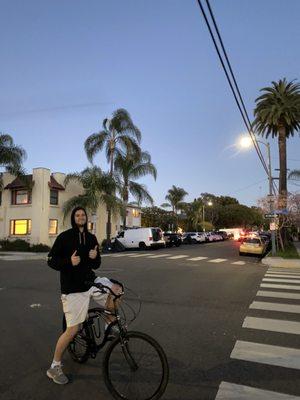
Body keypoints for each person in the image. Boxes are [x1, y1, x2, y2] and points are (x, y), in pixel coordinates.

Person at [46, 206, 122, 385]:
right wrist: (68, 262)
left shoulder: (91, 237)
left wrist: (95, 256)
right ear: (74, 218)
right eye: (77, 215)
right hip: (73, 289)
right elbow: (51, 260)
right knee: (72, 330)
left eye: (83, 215)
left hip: (90, 282)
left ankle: (109, 325)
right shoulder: (64, 237)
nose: (80, 217)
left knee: (116, 291)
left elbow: (96, 264)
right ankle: (54, 366)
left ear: (86, 218)